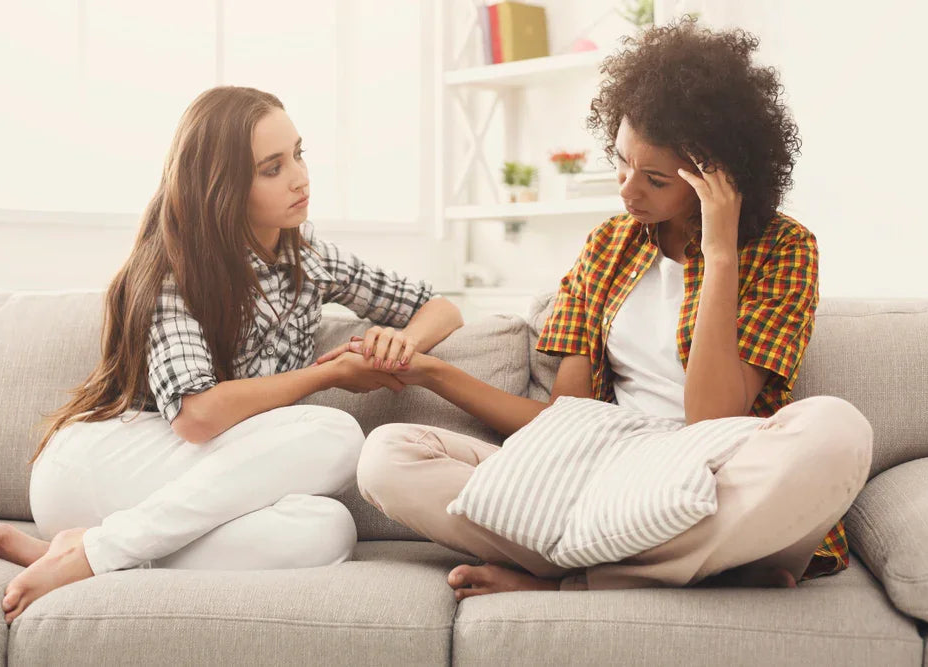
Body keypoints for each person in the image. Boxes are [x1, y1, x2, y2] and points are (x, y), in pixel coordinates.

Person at [344, 20, 872, 600]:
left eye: (653, 180)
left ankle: (578, 578)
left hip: (717, 468)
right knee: (387, 457)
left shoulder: (784, 247)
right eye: (620, 162)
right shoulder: (607, 246)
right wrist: (431, 371)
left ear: (717, 178)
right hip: (607, 474)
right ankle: (682, 569)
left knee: (838, 429)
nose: (626, 190)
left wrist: (721, 253)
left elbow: (713, 418)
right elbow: (565, 424)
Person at [0, 86, 462, 623]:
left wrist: (401, 343)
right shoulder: (171, 269)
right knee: (335, 433)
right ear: (221, 185)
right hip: (100, 466)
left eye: (298, 154)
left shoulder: (309, 257)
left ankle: (88, 549)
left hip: (174, 491)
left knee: (327, 530)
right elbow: (197, 416)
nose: (299, 176)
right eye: (272, 167)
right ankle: (96, 552)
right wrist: (326, 376)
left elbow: (439, 308)